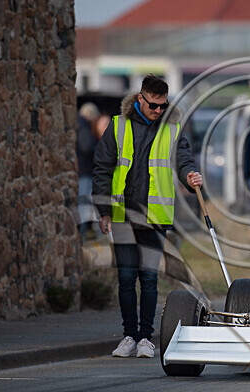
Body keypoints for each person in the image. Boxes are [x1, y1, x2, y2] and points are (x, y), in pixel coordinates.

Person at [93, 74, 202, 359]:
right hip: (122, 215)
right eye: (153, 105)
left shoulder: (173, 130)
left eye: (163, 106)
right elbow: (102, 169)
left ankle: (146, 338)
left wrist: (190, 178)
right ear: (140, 99)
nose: (158, 111)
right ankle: (129, 335)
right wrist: (103, 210)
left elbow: (184, 162)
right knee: (127, 278)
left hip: (155, 216)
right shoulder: (117, 127)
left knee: (150, 279)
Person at [76, 102, 101, 240]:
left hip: (83, 171)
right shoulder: (83, 127)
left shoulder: (79, 125)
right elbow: (87, 146)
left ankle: (84, 233)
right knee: (85, 204)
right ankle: (83, 234)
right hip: (85, 172)